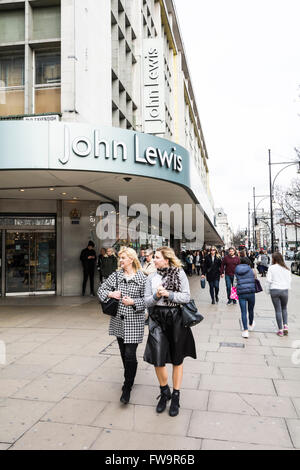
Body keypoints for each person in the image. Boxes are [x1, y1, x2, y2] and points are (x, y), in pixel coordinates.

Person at [144, 247, 197, 417]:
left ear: (166, 259)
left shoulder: (179, 273)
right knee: (157, 358)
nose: (153, 260)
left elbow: (186, 296)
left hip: (175, 318)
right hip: (156, 319)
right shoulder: (151, 277)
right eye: (154, 257)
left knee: (177, 358)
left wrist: (169, 294)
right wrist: (156, 297)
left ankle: (175, 395)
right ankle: (164, 390)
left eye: (157, 257)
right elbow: (146, 301)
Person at [98, 247, 147, 404]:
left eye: (123, 258)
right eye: (120, 258)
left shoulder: (142, 277)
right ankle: (129, 377)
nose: (120, 261)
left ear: (131, 259)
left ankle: (127, 386)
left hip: (134, 321)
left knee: (130, 354)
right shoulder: (116, 275)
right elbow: (101, 289)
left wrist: (133, 302)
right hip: (118, 320)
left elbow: (148, 301)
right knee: (123, 353)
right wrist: (111, 294)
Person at [266, 252, 292, 337]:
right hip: (284, 290)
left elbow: (269, 280)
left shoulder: (271, 268)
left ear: (274, 259)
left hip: (274, 289)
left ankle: (280, 330)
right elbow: (289, 280)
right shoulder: (286, 268)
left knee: (278, 310)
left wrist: (267, 290)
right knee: (284, 308)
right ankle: (285, 326)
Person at [235, 252, 256, 339]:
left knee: (243, 312)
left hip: (241, 293)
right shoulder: (252, 270)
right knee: (250, 310)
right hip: (251, 292)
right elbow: (255, 279)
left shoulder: (237, 269)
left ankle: (245, 331)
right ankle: (250, 325)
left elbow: (235, 280)